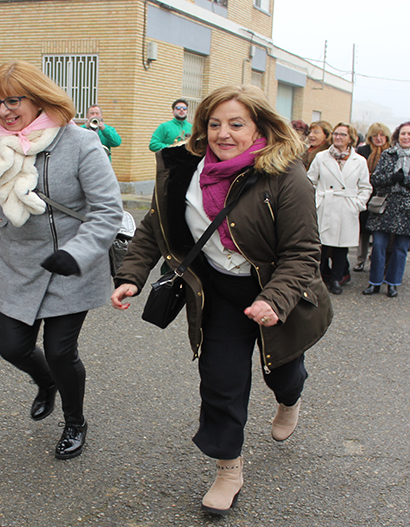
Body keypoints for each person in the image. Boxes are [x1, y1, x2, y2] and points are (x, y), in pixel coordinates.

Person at [111, 85, 332, 515]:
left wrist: (275, 299)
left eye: (236, 124)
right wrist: (131, 275)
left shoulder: (286, 175)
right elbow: (156, 227)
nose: (223, 133)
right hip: (217, 296)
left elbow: (302, 253)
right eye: (214, 124)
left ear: (259, 128)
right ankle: (228, 469)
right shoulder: (183, 170)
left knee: (283, 374)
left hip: (275, 294)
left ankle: (290, 400)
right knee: (220, 382)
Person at [0, 60, 123, 459]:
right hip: (19, 261)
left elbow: (107, 210)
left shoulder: (78, 141)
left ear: (38, 98)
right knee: (12, 348)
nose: (5, 110)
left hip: (71, 262)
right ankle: (48, 383)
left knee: (62, 351)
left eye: (14, 100)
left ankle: (75, 421)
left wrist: (75, 253)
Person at [362, 121, 410, 298]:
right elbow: (376, 179)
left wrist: (405, 179)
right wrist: (392, 178)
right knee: (378, 245)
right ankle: (375, 282)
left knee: (400, 247)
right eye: (403, 133)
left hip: (409, 209)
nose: (406, 137)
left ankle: (393, 283)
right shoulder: (388, 154)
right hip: (385, 206)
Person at [307, 122, 371, 294]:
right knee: (322, 245)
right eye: (336, 133)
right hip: (325, 204)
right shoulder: (321, 157)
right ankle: (319, 279)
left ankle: (336, 279)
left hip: (346, 206)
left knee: (341, 247)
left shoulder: (360, 161)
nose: (338, 137)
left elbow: (366, 187)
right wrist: (315, 201)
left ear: (351, 138)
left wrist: (357, 204)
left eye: (342, 134)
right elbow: (309, 181)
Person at [353, 123, 392, 272]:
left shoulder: (390, 152)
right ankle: (360, 259)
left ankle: (376, 260)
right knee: (363, 230)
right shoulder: (363, 151)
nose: (379, 138)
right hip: (365, 194)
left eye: (382, 135)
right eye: (375, 135)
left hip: (383, 196)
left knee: (379, 232)